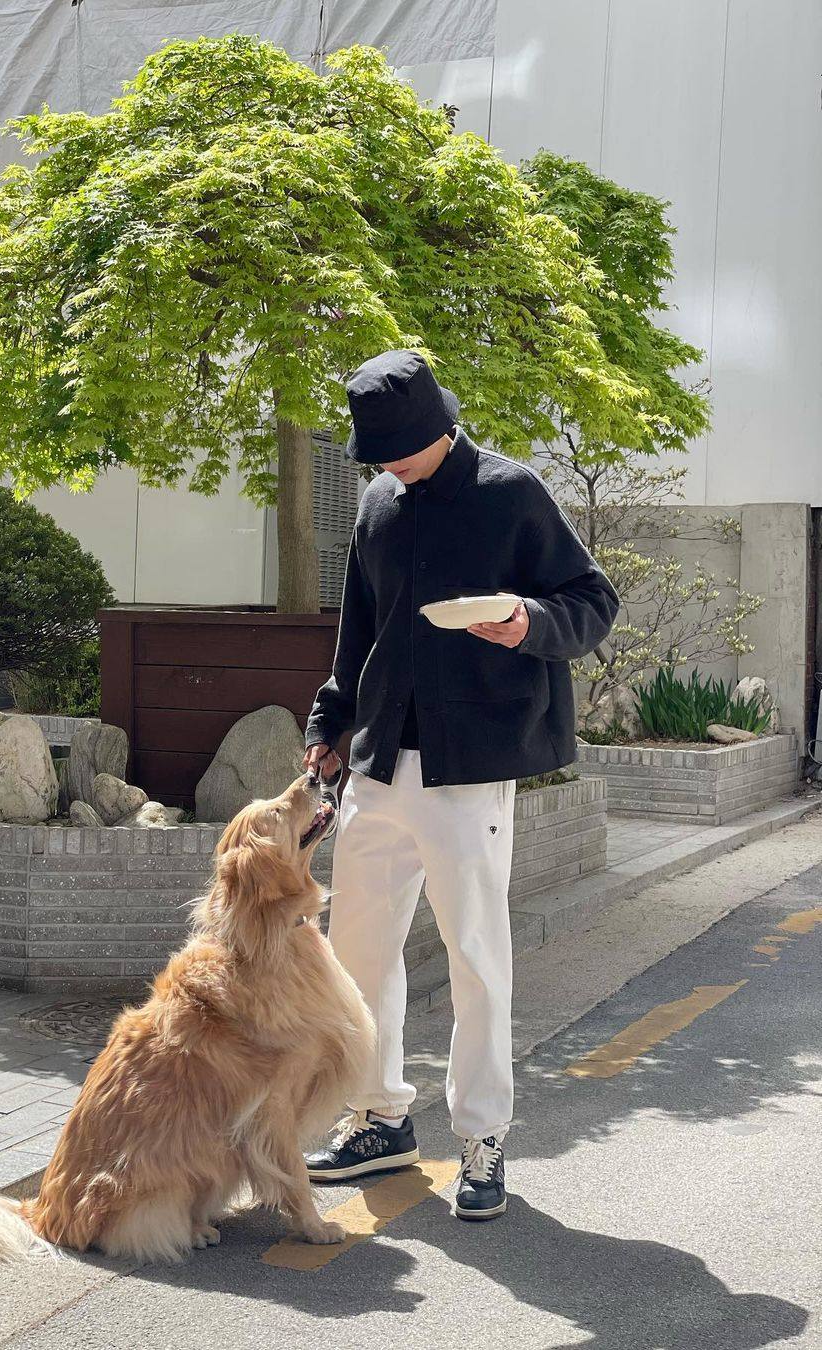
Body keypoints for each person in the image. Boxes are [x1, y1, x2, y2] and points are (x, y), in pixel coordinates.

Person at [302, 350, 618, 1220]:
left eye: (399, 454)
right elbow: (355, 633)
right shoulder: (378, 505)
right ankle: (379, 1117)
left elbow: (594, 599)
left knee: (477, 959)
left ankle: (483, 1139)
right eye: (378, 460)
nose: (389, 471)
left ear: (442, 427)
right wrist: (330, 726)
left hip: (471, 772)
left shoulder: (511, 494)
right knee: (357, 957)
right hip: (377, 767)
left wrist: (528, 623)